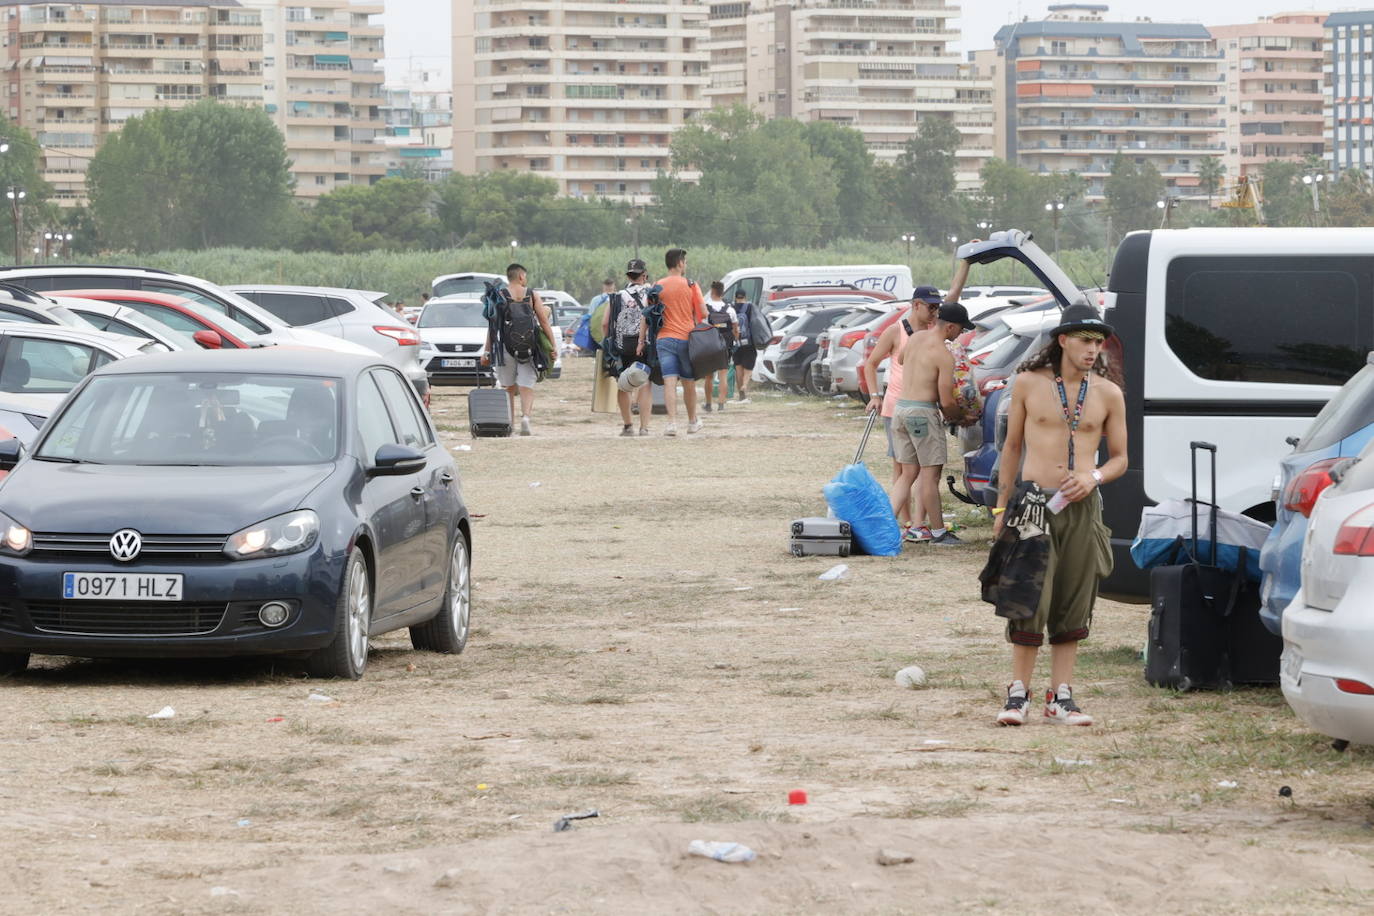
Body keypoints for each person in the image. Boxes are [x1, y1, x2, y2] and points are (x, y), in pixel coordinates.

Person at [989, 302, 1126, 727]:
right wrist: (1001, 506)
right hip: (1033, 504)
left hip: (1081, 508)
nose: (1093, 349)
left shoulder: (1108, 393)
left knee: (1073, 598)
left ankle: (1061, 697)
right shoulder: (1028, 383)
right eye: (1085, 340)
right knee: (1027, 597)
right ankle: (1018, 694)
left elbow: (1120, 458)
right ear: (1063, 340)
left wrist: (1093, 477)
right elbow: (1011, 447)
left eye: (1098, 342)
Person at [888, 300, 975, 546]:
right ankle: (938, 532)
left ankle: (883, 527)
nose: (961, 334)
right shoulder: (944, 355)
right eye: (961, 329)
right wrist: (960, 417)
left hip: (901, 409)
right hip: (922, 413)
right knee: (930, 475)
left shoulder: (916, 337)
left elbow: (901, 359)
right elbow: (946, 401)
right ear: (950, 327)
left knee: (907, 474)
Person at [864, 285, 943, 540]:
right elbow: (871, 363)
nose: (935, 312)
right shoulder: (895, 330)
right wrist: (874, 395)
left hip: (923, 405)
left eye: (937, 308)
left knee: (923, 470)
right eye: (931, 307)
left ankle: (918, 523)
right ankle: (906, 522)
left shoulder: (934, 330)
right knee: (904, 469)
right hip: (896, 407)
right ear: (916, 305)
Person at [482, 262, 558, 436]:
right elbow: (544, 322)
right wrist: (552, 346)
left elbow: (493, 327)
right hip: (529, 347)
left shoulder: (500, 295)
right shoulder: (532, 295)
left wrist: (486, 351)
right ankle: (526, 418)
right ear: (521, 276)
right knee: (526, 386)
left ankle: (510, 423)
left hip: (506, 347)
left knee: (508, 387)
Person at [652, 247, 706, 436]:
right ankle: (692, 422)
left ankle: (672, 424)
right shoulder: (691, 285)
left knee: (669, 381)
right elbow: (703, 312)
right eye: (685, 262)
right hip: (686, 340)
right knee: (688, 382)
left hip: (664, 339)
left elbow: (650, 312)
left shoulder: (657, 286)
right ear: (680, 263)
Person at [605, 260, 653, 436]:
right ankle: (644, 427)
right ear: (644, 275)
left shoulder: (617, 296)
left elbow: (605, 323)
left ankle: (628, 426)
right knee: (645, 383)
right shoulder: (652, 294)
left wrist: (609, 344)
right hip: (645, 344)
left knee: (623, 383)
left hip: (623, 344)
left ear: (628, 276)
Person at [701, 281, 738, 414]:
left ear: (712, 292)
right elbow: (735, 329)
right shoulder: (730, 310)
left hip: (710, 345)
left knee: (709, 376)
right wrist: (735, 340)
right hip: (725, 345)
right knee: (723, 375)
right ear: (723, 293)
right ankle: (721, 404)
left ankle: (708, 404)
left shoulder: (705, 309)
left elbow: (701, 328)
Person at [731, 288, 757, 404]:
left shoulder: (731, 308)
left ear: (735, 297)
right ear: (745, 297)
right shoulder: (750, 307)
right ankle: (745, 385)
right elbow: (755, 323)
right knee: (748, 367)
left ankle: (741, 395)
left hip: (736, 342)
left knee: (738, 367)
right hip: (748, 342)